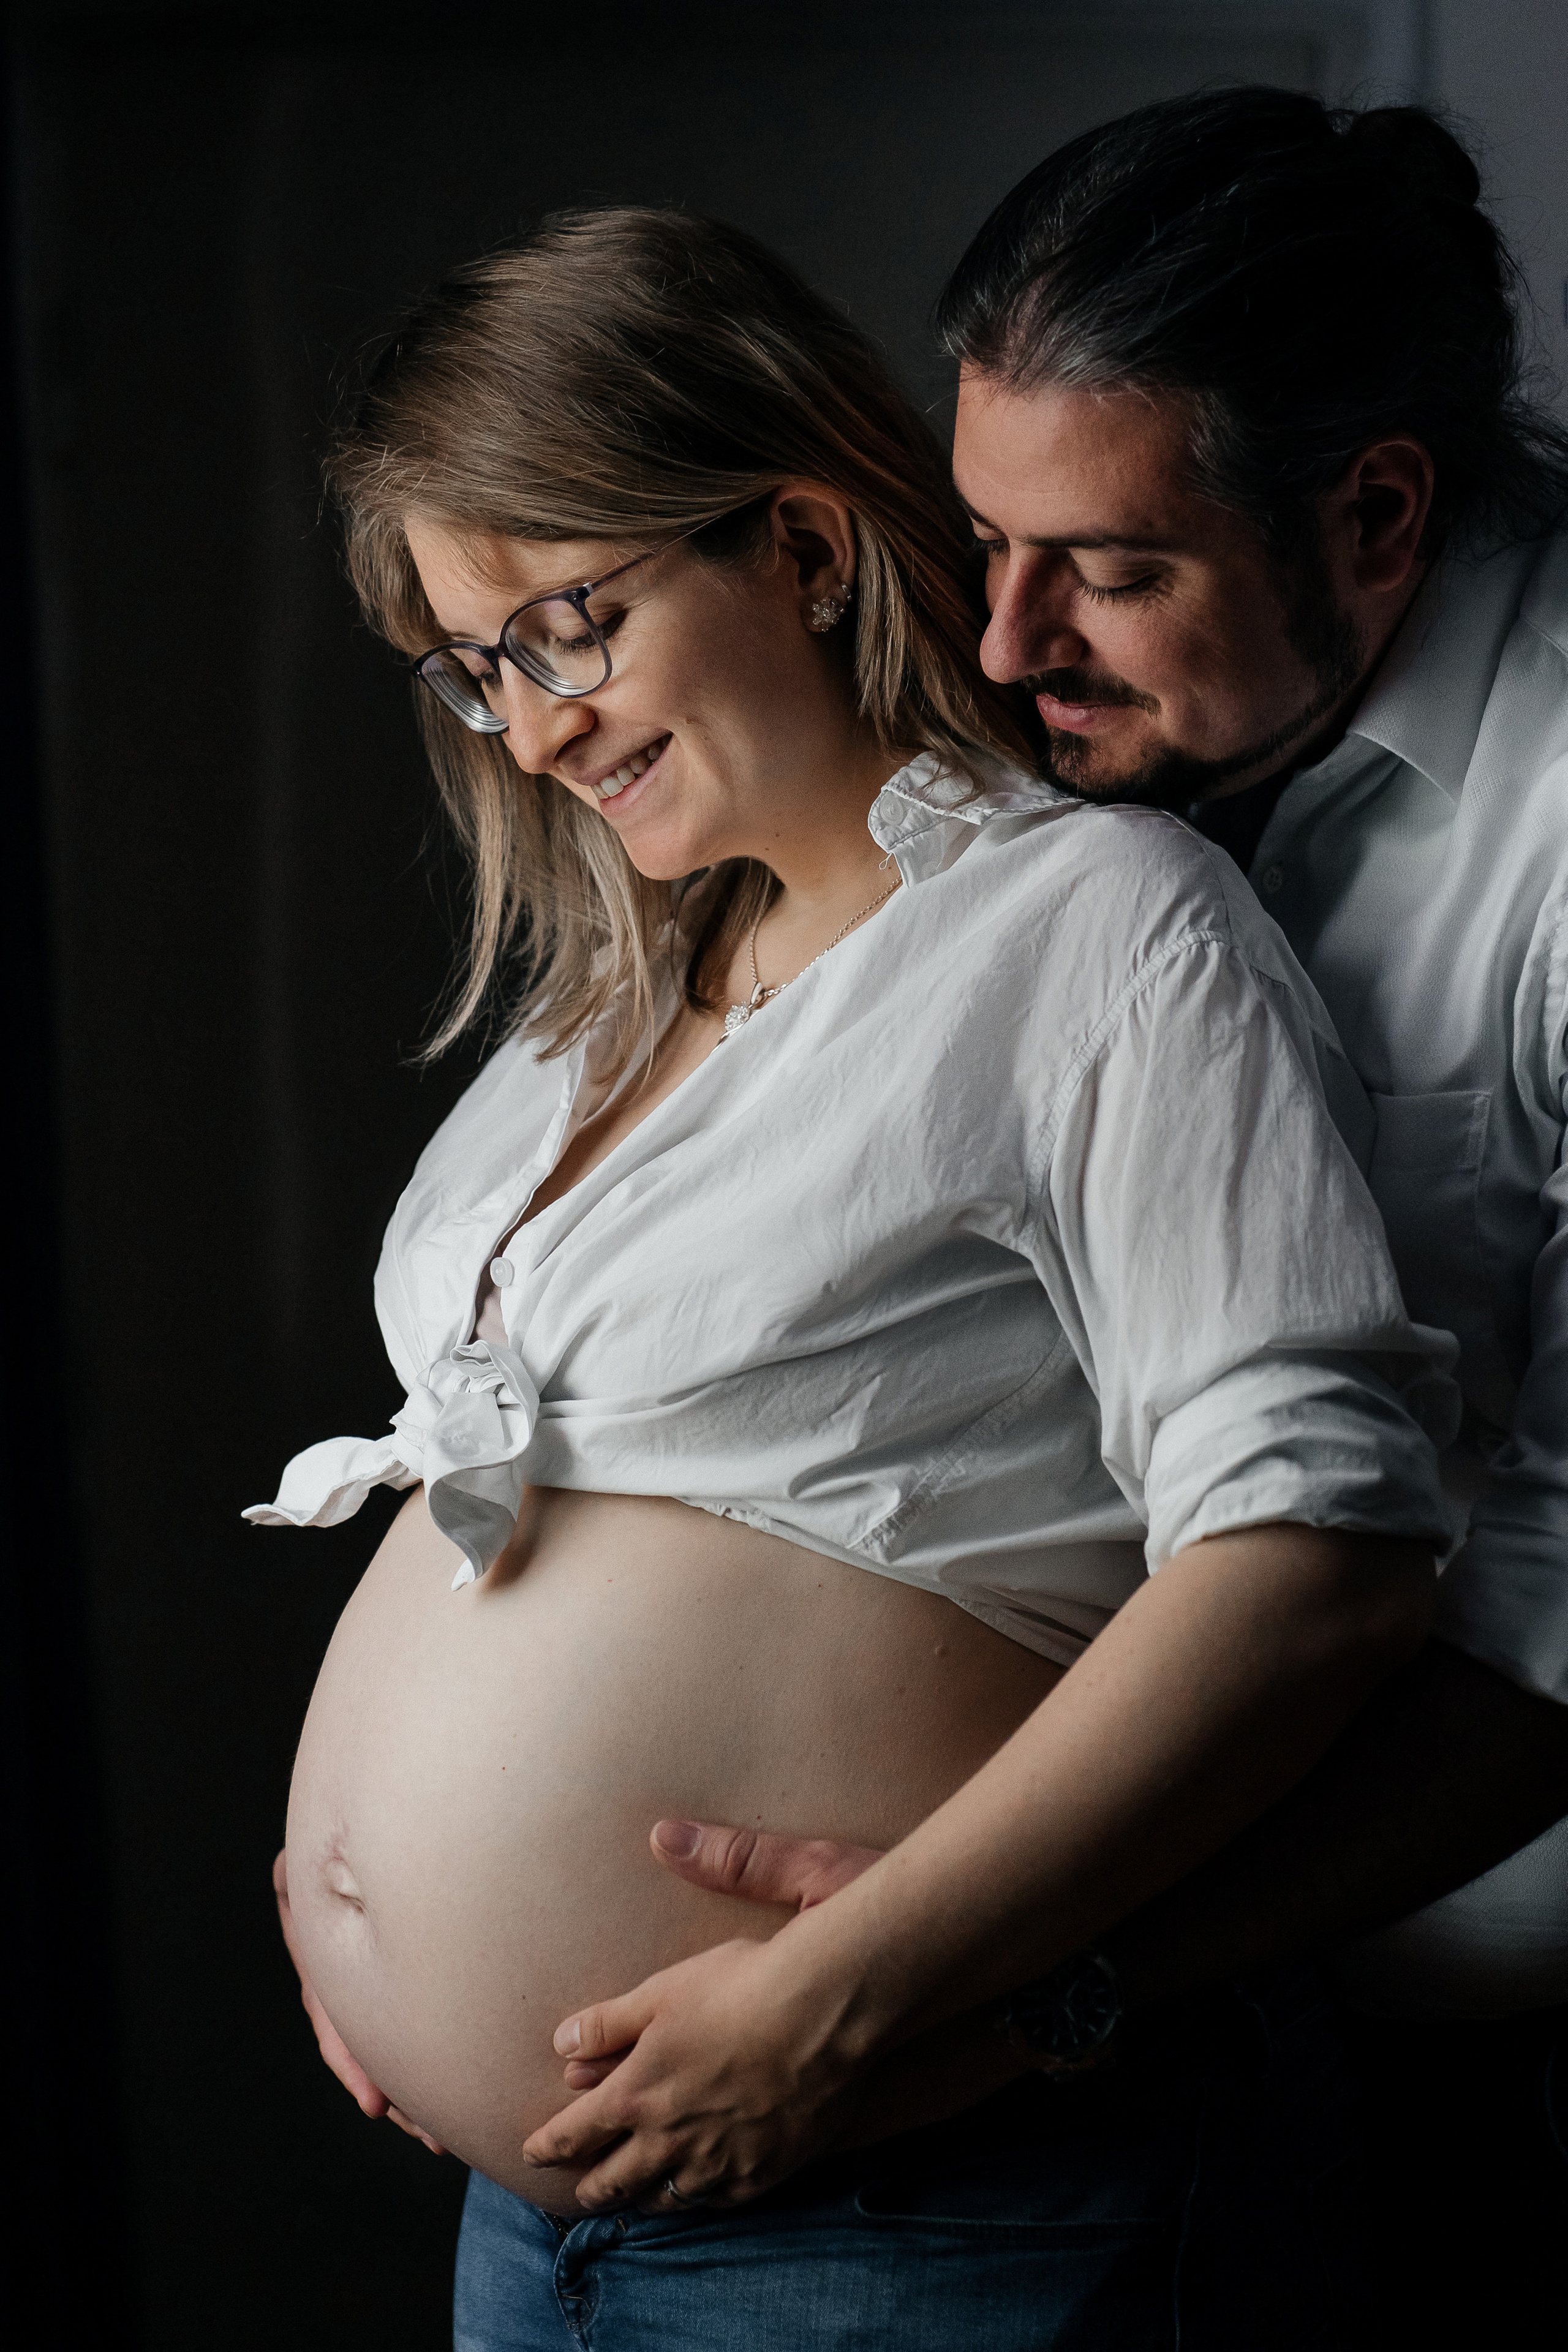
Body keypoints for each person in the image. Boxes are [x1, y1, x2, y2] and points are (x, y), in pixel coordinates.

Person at [255, 207, 1458, 2348]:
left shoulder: (1097, 925)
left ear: (798, 543)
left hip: (886, 2176)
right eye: (472, 670)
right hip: (529, 2221)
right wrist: (358, 1892)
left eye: (565, 629)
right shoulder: (602, 1011)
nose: (525, 735)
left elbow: (1318, 1556)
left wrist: (838, 1997)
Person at [631, 91, 1568, 2339]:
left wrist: (1040, 1954)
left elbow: (1560, 1593)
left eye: (1114, 570)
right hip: (1156, 2009)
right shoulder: (1083, 725)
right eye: (983, 538)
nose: (1011, 638)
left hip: (1505, 2061)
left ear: (1374, 513)